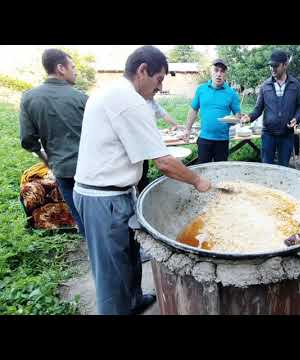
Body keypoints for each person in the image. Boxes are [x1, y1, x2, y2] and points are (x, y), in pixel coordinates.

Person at [73, 46, 211, 315]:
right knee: (111, 273)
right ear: (142, 71)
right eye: (159, 79)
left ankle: (134, 301)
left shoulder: (111, 92)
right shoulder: (128, 100)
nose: (159, 87)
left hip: (114, 192)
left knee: (129, 259)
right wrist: (198, 181)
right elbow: (164, 162)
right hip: (103, 199)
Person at [19, 48, 88, 237]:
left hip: (63, 170)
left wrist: (47, 160)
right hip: (92, 169)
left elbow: (27, 140)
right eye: (72, 67)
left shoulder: (29, 98)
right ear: (60, 68)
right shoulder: (82, 98)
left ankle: (93, 253)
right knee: (100, 215)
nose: (75, 71)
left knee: (80, 216)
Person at [241, 50, 300, 167]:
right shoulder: (265, 85)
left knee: (283, 167)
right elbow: (258, 109)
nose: (272, 69)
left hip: (287, 134)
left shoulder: (295, 84)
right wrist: (249, 117)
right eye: (271, 66)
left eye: (276, 66)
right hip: (268, 134)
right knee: (266, 167)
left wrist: (297, 118)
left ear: (285, 65)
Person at [182, 59, 241, 164]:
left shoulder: (231, 93)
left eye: (222, 71)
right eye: (216, 70)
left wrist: (233, 120)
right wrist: (187, 129)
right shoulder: (201, 89)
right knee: (204, 169)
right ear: (211, 72)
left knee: (221, 170)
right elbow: (193, 110)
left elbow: (238, 114)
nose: (219, 74)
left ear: (225, 74)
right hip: (204, 138)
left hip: (222, 140)